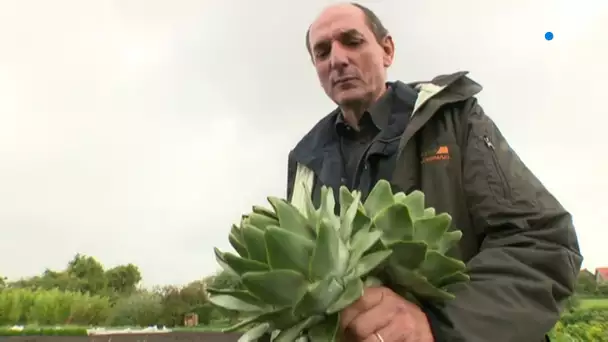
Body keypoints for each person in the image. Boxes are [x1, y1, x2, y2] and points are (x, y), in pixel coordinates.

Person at [285, 2, 583, 342]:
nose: (336, 59)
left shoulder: (452, 119)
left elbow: (542, 242)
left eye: (351, 41)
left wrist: (437, 326)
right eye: (322, 52)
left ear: (387, 50)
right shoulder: (305, 160)